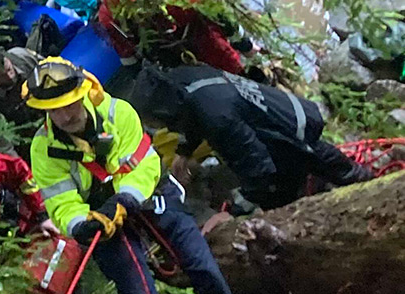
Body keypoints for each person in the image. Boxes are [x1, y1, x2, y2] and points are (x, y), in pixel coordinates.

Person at [23, 57, 246, 294]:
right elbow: (60, 203)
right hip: (101, 219)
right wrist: (82, 224)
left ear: (82, 94)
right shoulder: (44, 149)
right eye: (54, 110)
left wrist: (125, 198)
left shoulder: (116, 112)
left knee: (202, 266)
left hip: (146, 196)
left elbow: (143, 165)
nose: (65, 114)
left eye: (69, 104)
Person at [130, 63, 375, 210]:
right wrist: (184, 152)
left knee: (284, 190)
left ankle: (367, 185)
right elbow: (194, 118)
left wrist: (237, 209)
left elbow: (258, 168)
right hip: (280, 111)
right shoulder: (185, 81)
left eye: (153, 120)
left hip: (291, 130)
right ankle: (352, 179)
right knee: (313, 162)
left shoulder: (217, 117)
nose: (155, 126)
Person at [98, 0, 247, 74]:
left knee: (231, 66)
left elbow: (216, 12)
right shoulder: (110, 19)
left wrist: (243, 43)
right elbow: (127, 54)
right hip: (170, 59)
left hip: (199, 36)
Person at [0, 44, 42, 156]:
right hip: (21, 136)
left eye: (9, 70)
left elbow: (51, 71)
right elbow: (0, 141)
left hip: (46, 112)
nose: (10, 77)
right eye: (2, 76)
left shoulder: (21, 57)